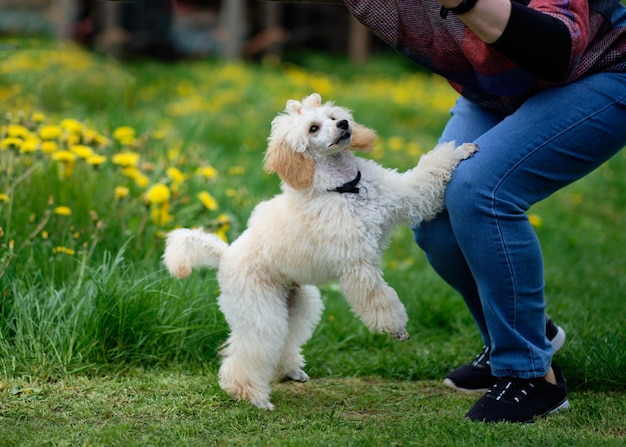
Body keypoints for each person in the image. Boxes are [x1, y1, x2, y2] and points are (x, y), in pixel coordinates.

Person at [336, 0, 626, 423]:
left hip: (596, 68)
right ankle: (528, 331)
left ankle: (531, 375)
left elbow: (554, 50)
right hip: (497, 90)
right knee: (431, 213)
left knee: (479, 188)